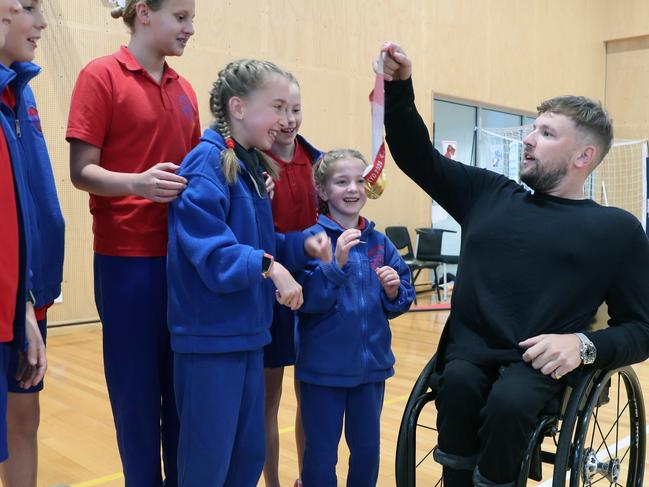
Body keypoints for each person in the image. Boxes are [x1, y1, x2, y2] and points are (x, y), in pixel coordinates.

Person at [377, 42, 649, 487]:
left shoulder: (615, 230)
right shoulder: (488, 195)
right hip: (469, 353)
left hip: (538, 366)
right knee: (460, 387)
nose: (527, 138)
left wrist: (582, 345)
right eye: (533, 128)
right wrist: (399, 86)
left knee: (511, 401)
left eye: (546, 134)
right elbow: (415, 155)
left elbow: (642, 328)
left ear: (583, 157)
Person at [167, 58, 329, 487]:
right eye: (276, 107)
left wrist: (302, 245)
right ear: (238, 108)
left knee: (245, 457)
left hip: (248, 337)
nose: (285, 119)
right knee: (206, 464)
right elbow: (214, 254)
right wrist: (270, 267)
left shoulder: (252, 167)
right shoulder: (204, 164)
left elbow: (264, 242)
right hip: (209, 342)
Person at [66, 1, 199, 485]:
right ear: (144, 13)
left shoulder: (185, 90)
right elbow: (82, 172)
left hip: (183, 263)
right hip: (126, 264)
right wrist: (136, 184)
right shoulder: (100, 76)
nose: (191, 28)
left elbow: (197, 174)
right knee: (137, 401)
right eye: (181, 17)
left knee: (181, 397)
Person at [296, 149, 414, 487]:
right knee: (320, 453)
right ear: (322, 191)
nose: (352, 189)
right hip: (323, 372)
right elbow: (307, 300)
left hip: (371, 370)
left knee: (366, 452)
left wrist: (394, 292)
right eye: (341, 182)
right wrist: (336, 265)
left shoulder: (379, 242)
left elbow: (402, 296)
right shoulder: (312, 240)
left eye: (360, 181)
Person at [0, 2, 64, 486]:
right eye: (29, 7)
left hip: (30, 293)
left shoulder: (22, 90)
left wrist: (34, 295)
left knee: (26, 420)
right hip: (9, 297)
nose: (41, 22)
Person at [262, 72, 321, 487]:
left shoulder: (317, 163)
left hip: (314, 295)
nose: (289, 120)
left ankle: (306, 478)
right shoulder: (249, 162)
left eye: (295, 110)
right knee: (269, 401)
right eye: (280, 109)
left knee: (311, 399)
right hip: (268, 293)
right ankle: (272, 482)